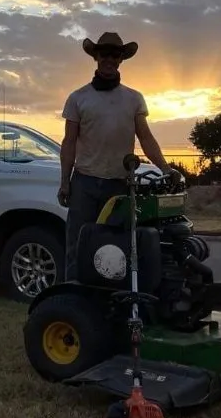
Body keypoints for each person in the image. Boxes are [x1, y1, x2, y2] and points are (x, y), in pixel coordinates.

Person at [58, 32, 179, 281]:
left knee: (116, 248)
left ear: (121, 59)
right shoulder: (78, 98)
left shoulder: (134, 99)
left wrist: (166, 169)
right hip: (85, 184)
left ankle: (111, 301)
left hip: (120, 187)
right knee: (77, 246)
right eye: (105, 54)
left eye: (115, 54)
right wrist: (65, 182)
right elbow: (69, 142)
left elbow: (145, 138)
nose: (109, 59)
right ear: (96, 57)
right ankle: (71, 298)